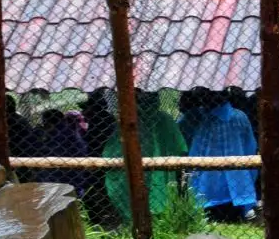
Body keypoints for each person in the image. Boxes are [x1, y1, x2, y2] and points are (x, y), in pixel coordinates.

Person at [102, 88, 189, 226]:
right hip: (163, 170)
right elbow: (180, 148)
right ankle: (161, 221)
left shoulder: (128, 119)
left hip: (134, 171)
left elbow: (111, 151)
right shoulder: (165, 119)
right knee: (161, 192)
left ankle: (136, 222)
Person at [186, 89, 258, 223]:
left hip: (209, 185)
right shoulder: (239, 116)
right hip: (238, 182)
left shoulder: (205, 119)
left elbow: (197, 148)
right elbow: (250, 146)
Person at [35, 108, 89, 197]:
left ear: (47, 122)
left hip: (63, 175)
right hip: (73, 175)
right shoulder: (68, 130)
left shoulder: (60, 133)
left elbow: (51, 151)